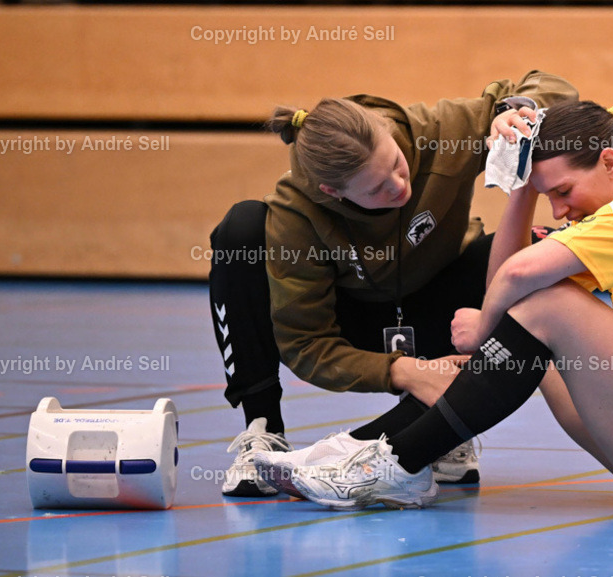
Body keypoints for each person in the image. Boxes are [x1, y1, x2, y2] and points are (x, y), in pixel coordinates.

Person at [274, 100, 613, 510]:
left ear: (611, 161)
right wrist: (520, 189)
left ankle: (396, 464)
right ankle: (366, 449)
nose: (561, 209)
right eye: (549, 195)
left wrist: (485, 331)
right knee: (535, 318)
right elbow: (507, 271)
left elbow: (520, 277)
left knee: (547, 304)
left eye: (563, 189)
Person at [209, 71, 578, 496]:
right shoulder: (297, 216)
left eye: (398, 166)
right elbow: (306, 344)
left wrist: (513, 112)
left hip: (440, 306)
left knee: (535, 253)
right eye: (379, 188)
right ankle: (262, 431)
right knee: (242, 230)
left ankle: (439, 429)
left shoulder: (438, 132)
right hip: (358, 324)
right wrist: (402, 371)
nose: (400, 186)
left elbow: (555, 86)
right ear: (333, 191)